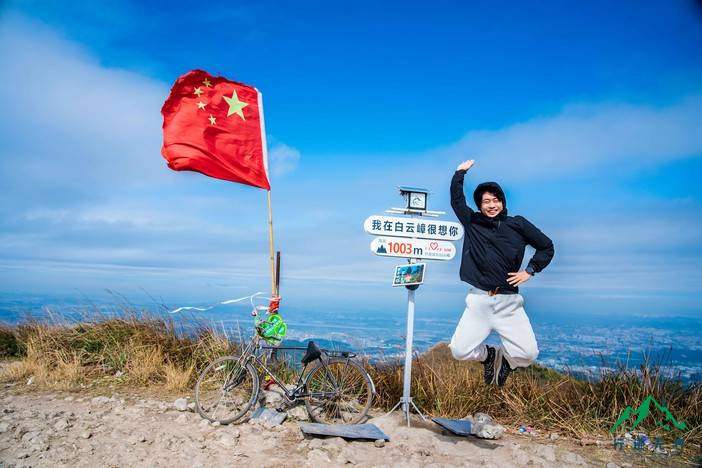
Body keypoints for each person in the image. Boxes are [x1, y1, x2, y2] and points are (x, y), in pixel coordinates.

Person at [448, 159, 554, 386]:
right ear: (479, 205)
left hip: (509, 302)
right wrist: (459, 174)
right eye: (486, 201)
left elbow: (547, 247)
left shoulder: (518, 224)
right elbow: (457, 201)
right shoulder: (473, 222)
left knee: (528, 354)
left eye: (496, 200)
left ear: (503, 202)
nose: (491, 205)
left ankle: (506, 360)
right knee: (459, 350)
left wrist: (530, 271)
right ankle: (489, 356)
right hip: (479, 301)